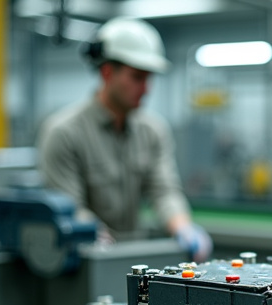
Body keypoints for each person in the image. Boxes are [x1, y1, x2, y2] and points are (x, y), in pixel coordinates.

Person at [38, 17, 212, 261]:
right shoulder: (64, 133)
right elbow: (70, 209)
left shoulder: (153, 131)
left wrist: (182, 226)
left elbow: (163, 191)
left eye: (149, 78)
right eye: (137, 77)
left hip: (134, 260)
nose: (147, 88)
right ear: (108, 72)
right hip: (82, 262)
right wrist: (95, 236)